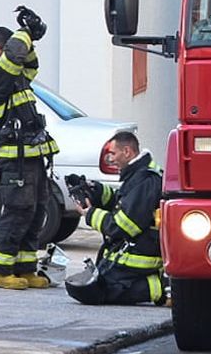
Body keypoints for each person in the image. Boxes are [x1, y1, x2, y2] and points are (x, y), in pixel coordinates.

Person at [0, 7, 59, 290]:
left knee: (36, 211)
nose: (16, 57)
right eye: (8, 50)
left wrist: (32, 39)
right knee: (17, 211)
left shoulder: (15, 77)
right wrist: (26, 33)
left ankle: (25, 267)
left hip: (32, 155)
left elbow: (29, 64)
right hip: (14, 158)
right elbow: (15, 56)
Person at [64, 131, 168, 306]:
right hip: (134, 249)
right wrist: (95, 190)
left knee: (98, 291)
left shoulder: (145, 181)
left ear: (127, 151)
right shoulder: (137, 175)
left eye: (113, 154)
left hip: (140, 256)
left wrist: (89, 214)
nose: (111, 159)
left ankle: (163, 287)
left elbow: (123, 225)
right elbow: (122, 201)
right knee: (93, 284)